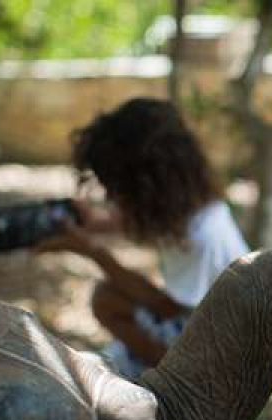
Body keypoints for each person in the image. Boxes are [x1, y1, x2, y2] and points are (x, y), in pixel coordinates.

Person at [35, 97, 249, 379]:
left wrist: (93, 251)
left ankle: (166, 380)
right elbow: (151, 222)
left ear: (147, 186)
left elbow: (165, 307)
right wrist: (97, 224)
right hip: (193, 321)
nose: (112, 197)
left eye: (118, 188)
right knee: (112, 297)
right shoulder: (192, 207)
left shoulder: (204, 238)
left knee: (107, 299)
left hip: (216, 358)